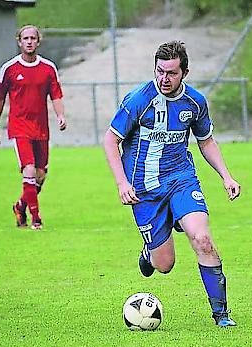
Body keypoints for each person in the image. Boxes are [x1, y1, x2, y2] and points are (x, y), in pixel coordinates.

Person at [103, 41, 241, 327]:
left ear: (185, 72)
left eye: (172, 73)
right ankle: (149, 252)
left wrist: (226, 176)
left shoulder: (195, 103)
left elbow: (206, 141)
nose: (164, 79)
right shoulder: (138, 100)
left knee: (202, 239)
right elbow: (110, 140)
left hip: (180, 180)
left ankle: (221, 315)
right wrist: (121, 183)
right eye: (160, 71)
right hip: (144, 192)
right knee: (164, 265)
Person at [0, 24, 67, 230]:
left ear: (38, 41)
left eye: (33, 38)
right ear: (19, 41)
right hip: (19, 128)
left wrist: (60, 115)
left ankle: (20, 206)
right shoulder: (9, 69)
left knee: (40, 176)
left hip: (41, 129)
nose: (29, 41)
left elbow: (56, 95)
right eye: (26, 38)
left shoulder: (48, 68)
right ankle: (36, 218)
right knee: (30, 170)